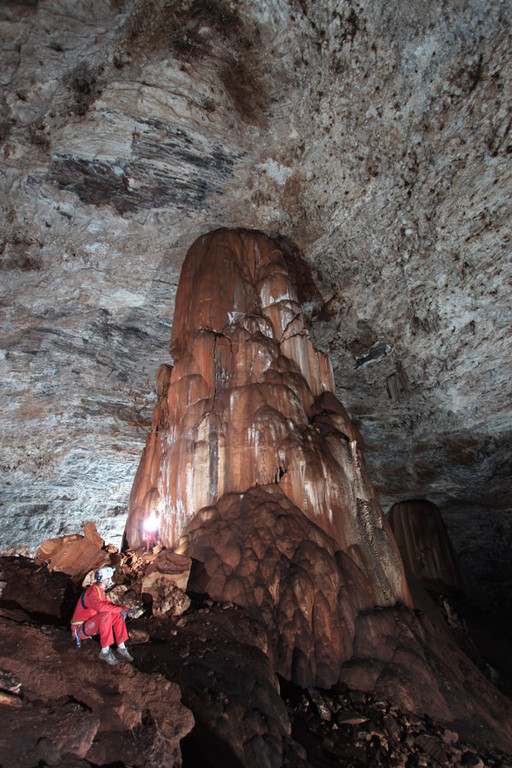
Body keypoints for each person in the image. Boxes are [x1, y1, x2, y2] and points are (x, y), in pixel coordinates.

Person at [71, 566, 134, 666]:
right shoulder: (91, 592)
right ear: (106, 579)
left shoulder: (99, 592)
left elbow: (109, 605)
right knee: (106, 614)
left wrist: (125, 609)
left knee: (117, 615)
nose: (111, 581)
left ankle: (121, 647)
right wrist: (119, 609)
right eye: (110, 578)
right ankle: (104, 652)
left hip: (91, 624)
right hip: (79, 629)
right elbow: (100, 607)